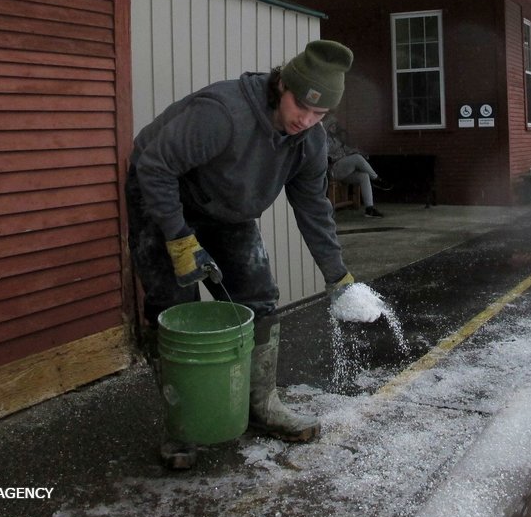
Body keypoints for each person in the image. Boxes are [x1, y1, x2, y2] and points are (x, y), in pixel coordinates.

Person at [126, 40, 358, 464]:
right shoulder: (222, 113)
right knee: (177, 308)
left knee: (258, 296)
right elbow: (154, 168)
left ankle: (260, 405)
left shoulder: (309, 140)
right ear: (281, 84)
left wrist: (337, 275)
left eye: (319, 114)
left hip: (227, 208)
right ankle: (184, 425)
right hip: (160, 194)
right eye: (301, 106)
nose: (305, 120)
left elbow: (313, 207)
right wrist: (179, 239)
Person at [325, 117, 392, 218]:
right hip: (333, 169)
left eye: (335, 125)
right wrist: (347, 156)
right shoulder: (324, 139)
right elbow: (326, 157)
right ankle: (377, 179)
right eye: (332, 126)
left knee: (364, 176)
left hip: (343, 170)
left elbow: (347, 150)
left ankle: (369, 209)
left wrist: (358, 152)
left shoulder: (337, 139)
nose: (334, 127)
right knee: (357, 158)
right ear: (327, 127)